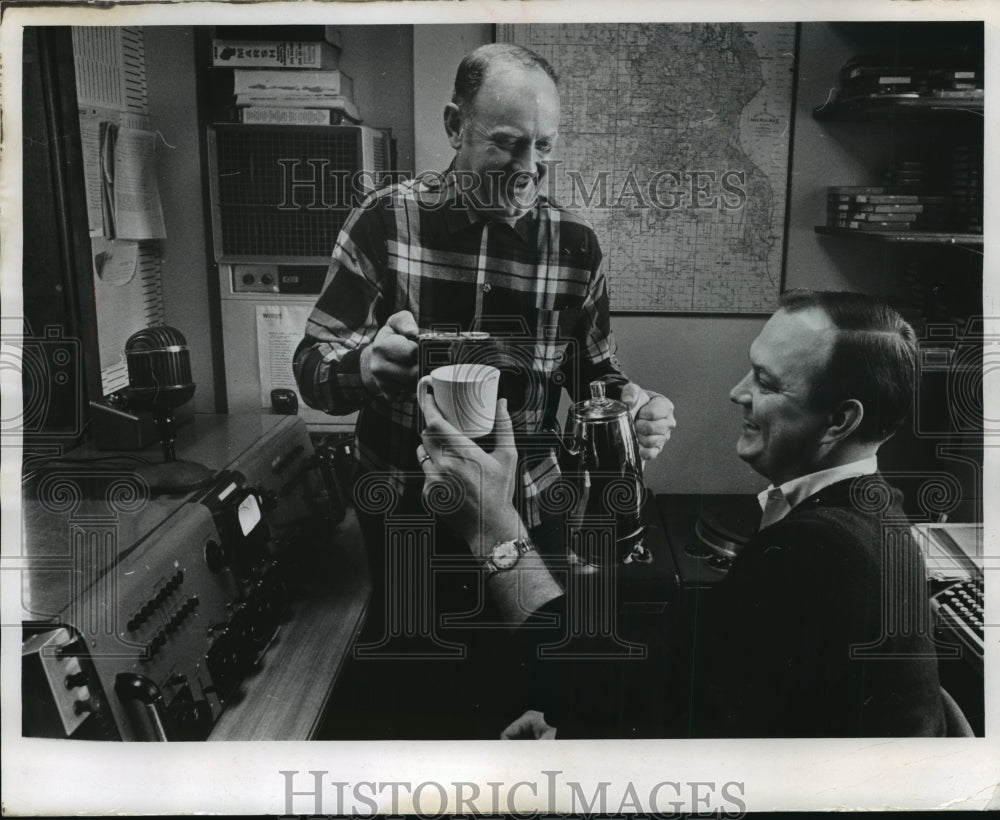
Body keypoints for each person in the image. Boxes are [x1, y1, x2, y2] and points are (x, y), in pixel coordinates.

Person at [296, 43, 675, 738]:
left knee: (520, 711)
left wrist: (634, 406)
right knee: (418, 714)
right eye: (507, 144)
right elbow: (311, 364)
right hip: (405, 521)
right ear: (453, 125)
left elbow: (595, 378)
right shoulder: (384, 222)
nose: (529, 170)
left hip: (525, 522)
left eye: (545, 147)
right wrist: (363, 365)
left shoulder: (577, 248)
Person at [419, 290, 947, 737]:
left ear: (840, 421)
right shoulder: (874, 510)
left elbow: (650, 710)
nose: (737, 392)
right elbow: (700, 683)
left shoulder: (819, 553)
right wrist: (576, 717)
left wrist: (493, 526)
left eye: (766, 382)